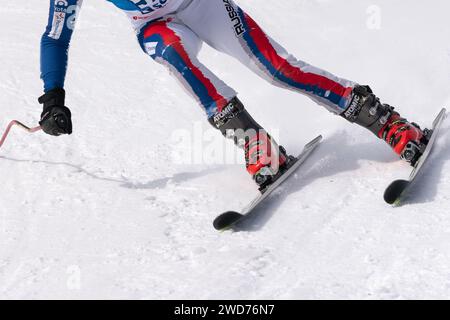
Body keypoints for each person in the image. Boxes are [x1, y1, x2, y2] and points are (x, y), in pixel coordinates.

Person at [39, 0, 428, 188]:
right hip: (153, 23)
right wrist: (53, 98)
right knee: (173, 55)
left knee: (278, 69)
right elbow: (56, 36)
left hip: (201, 5)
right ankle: (257, 145)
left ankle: (385, 120)